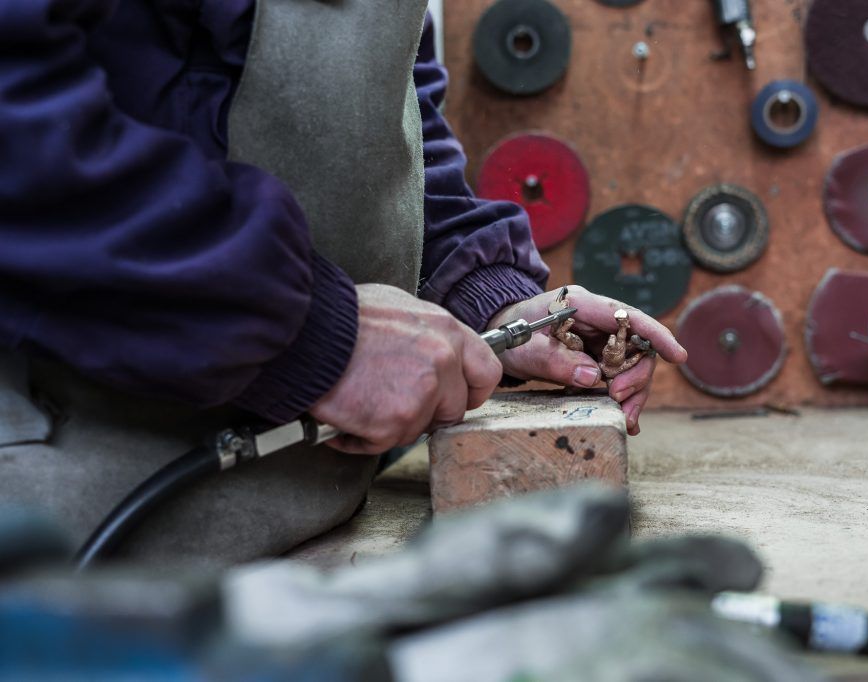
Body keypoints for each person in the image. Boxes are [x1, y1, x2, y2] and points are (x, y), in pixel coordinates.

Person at [0, 0, 686, 565]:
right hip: (75, 523)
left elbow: (379, 101)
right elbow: (20, 127)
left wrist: (490, 298)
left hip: (307, 516)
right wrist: (313, 337)